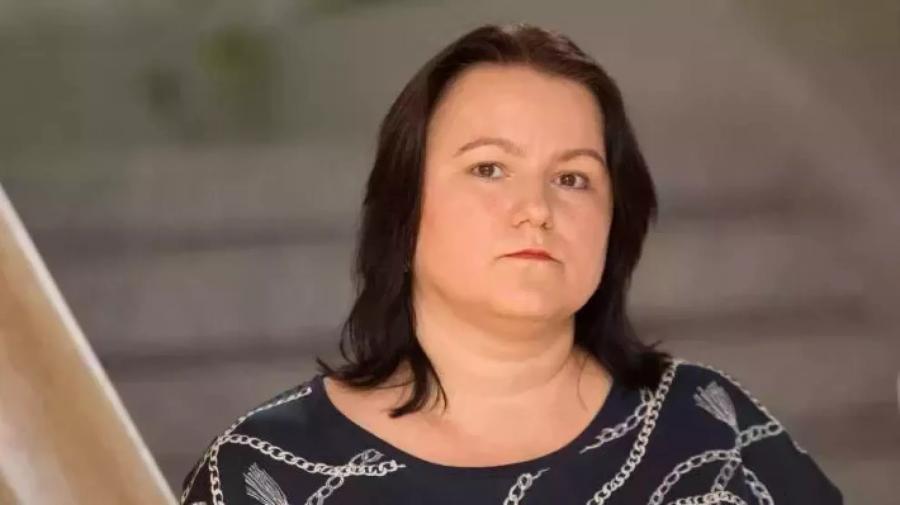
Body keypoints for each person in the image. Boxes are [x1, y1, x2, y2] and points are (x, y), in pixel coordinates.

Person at [180, 22, 843, 505]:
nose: (536, 209)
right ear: (404, 204)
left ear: (615, 221)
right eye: (489, 168)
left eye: (573, 178)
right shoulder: (266, 472)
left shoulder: (712, 432)